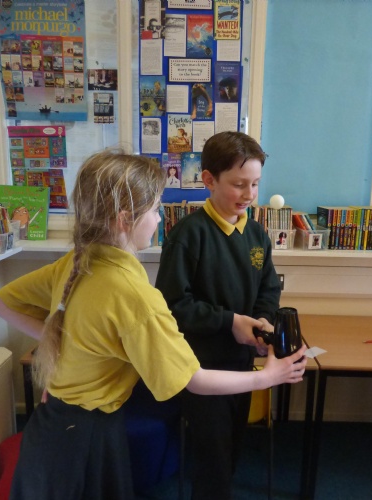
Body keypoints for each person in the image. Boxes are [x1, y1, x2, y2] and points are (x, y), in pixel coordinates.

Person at [0, 149, 306, 500]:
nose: (159, 219)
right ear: (125, 219)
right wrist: (267, 377)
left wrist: (69, 341)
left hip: (51, 423)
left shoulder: (79, 260)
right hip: (88, 436)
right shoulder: (134, 294)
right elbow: (193, 380)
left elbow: (1, 302)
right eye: (155, 210)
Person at [155, 131, 294, 500]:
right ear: (209, 180)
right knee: (212, 462)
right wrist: (230, 322)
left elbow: (268, 288)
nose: (249, 194)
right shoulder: (188, 235)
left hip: (240, 363)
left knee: (231, 449)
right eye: (238, 184)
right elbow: (172, 306)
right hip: (201, 369)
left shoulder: (257, 234)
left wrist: (262, 321)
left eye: (255, 184)